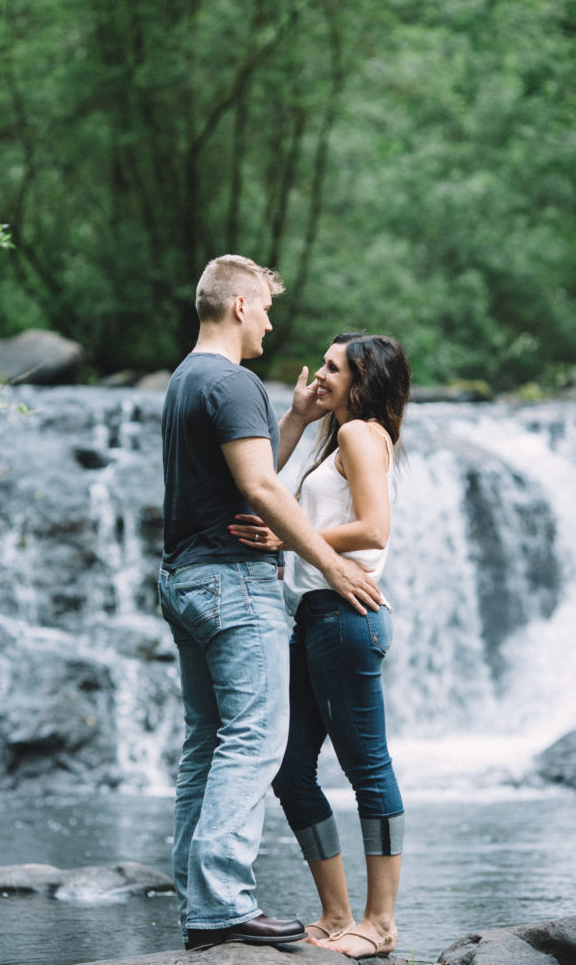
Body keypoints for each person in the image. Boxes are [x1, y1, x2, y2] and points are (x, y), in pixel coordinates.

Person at [158, 258, 383, 951]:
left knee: (206, 744)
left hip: (185, 580)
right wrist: (325, 562)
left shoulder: (186, 379)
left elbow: (239, 477)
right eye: (264, 310)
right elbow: (259, 490)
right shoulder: (232, 380)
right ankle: (224, 901)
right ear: (239, 306)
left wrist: (292, 418)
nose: (269, 322)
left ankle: (199, 900)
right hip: (233, 584)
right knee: (252, 742)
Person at [229, 331, 410, 960]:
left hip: (345, 614)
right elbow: (258, 483)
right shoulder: (337, 435)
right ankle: (335, 915)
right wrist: (300, 417)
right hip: (315, 616)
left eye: (334, 369)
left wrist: (288, 539)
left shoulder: (361, 434)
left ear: (364, 380)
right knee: (289, 768)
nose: (320, 375)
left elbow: (374, 527)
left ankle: (380, 923)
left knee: (369, 770)